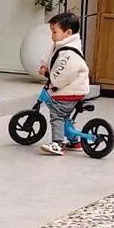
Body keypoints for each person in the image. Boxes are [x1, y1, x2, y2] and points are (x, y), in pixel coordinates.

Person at [37, 10, 91, 156]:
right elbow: (51, 56)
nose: (52, 35)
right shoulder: (60, 45)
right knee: (64, 115)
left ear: (68, 32)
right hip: (70, 89)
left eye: (54, 32)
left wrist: (49, 75)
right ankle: (74, 141)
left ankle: (57, 143)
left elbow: (63, 74)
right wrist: (44, 64)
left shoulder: (69, 53)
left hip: (71, 90)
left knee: (57, 114)